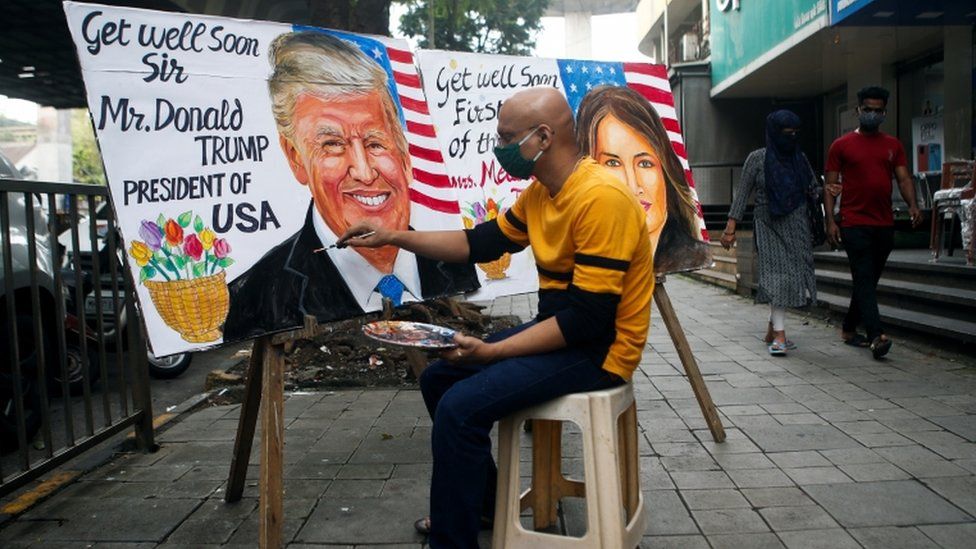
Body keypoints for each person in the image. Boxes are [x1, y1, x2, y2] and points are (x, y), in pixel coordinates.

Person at [340, 87, 655, 548]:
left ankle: (454, 540)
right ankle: (485, 503)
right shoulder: (544, 194)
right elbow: (479, 244)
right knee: (439, 379)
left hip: (599, 350)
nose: (499, 146)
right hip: (566, 332)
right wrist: (392, 235)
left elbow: (587, 322)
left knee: (460, 406)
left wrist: (491, 353)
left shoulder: (600, 199)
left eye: (507, 136)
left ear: (542, 137)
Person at [222, 31, 478, 341]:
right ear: (295, 158)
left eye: (375, 143)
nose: (365, 172)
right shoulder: (255, 298)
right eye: (332, 145)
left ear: (404, 152)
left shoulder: (457, 266)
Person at [824, 86, 923, 359]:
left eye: (878, 110)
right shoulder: (841, 145)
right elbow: (830, 185)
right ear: (858, 110)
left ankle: (847, 328)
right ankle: (876, 335)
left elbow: (903, 178)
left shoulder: (893, 145)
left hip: (884, 222)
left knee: (867, 280)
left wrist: (913, 204)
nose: (872, 114)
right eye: (867, 109)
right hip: (854, 223)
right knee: (865, 277)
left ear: (884, 113)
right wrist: (831, 220)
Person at [576, 85, 710, 273]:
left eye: (645, 163)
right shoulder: (578, 257)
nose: (633, 186)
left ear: (665, 170)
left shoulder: (695, 254)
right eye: (613, 163)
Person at [721, 110, 818, 355]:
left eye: (795, 134)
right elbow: (742, 193)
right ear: (774, 134)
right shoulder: (757, 159)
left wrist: (828, 191)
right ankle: (781, 336)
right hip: (767, 223)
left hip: (796, 223)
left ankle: (772, 327)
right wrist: (730, 229)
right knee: (777, 276)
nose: (791, 138)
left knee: (791, 276)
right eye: (786, 134)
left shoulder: (800, 158)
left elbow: (812, 187)